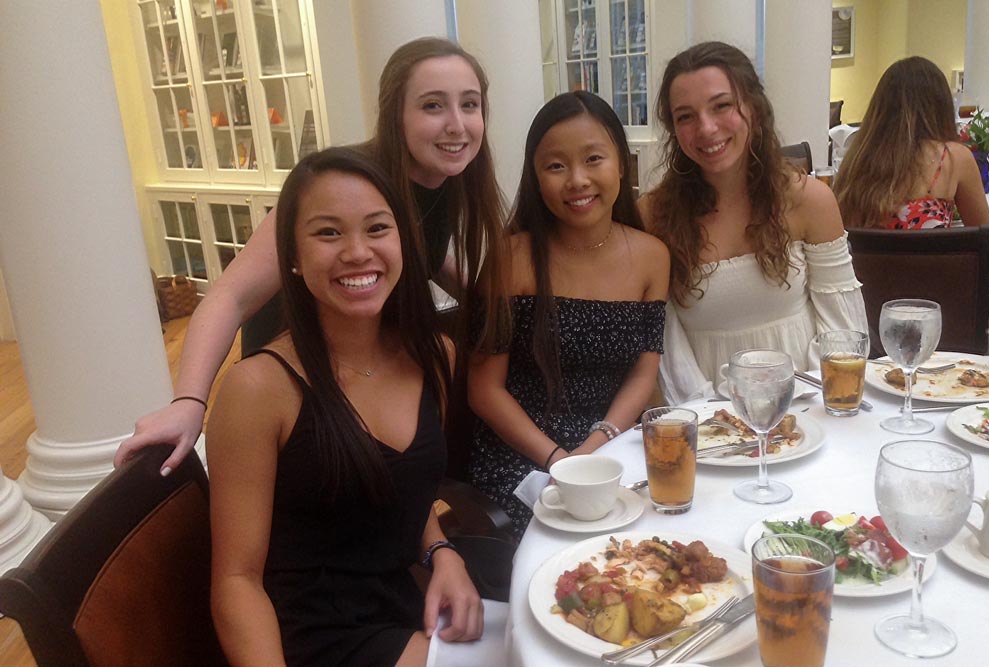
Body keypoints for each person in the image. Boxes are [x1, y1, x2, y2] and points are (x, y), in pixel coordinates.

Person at [115, 37, 506, 476]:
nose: (457, 124)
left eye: (469, 105)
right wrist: (189, 402)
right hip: (299, 380)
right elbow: (231, 296)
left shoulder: (445, 181)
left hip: (359, 365)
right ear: (396, 115)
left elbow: (425, 254)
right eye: (433, 106)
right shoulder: (339, 184)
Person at [208, 147, 482, 666]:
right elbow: (236, 581)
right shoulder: (259, 388)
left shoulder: (435, 358)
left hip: (403, 608)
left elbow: (402, 492)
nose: (358, 252)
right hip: (312, 638)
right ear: (291, 252)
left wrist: (441, 551)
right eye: (329, 233)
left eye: (377, 228)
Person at [467, 91, 669, 534]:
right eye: (555, 166)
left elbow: (642, 373)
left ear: (621, 163)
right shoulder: (511, 258)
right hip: (523, 455)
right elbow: (484, 390)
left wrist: (595, 447)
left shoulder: (652, 256)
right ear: (536, 178)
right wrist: (560, 460)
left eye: (593, 159)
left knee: (667, 530)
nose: (577, 180)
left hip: (612, 448)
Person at [640, 41, 867, 404]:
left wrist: (792, 406)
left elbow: (844, 331)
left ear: (754, 108)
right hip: (703, 416)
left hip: (807, 403)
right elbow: (663, 343)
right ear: (673, 129)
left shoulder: (810, 201)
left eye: (722, 106)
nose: (706, 128)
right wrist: (708, 414)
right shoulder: (652, 217)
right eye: (685, 116)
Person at [834, 56, 989, 237]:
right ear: (941, 105)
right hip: (933, 265)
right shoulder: (952, 157)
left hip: (864, 265)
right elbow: (986, 234)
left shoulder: (858, 158)